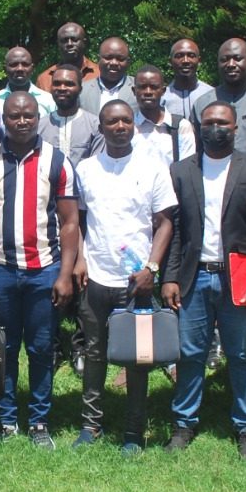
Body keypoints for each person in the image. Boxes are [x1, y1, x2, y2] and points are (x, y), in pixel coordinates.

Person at [160, 102, 246, 458]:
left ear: (236, 127)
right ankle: (184, 423)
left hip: (238, 280)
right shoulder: (181, 171)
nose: (216, 128)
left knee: (242, 355)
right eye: (208, 123)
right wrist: (170, 277)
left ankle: (245, 428)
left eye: (222, 123)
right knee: (190, 353)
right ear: (199, 127)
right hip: (194, 278)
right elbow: (175, 230)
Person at [0, 93, 80, 446]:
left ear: (37, 118)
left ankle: (40, 422)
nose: (21, 121)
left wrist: (65, 273)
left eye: (28, 115)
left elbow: (70, 222)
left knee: (42, 348)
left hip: (44, 270)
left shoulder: (58, 163)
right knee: (4, 348)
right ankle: (7, 420)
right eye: (14, 116)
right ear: (4, 119)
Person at [72, 100, 176, 453]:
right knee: (94, 351)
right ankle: (91, 424)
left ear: (134, 125)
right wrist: (80, 259)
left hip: (137, 280)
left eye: (126, 121)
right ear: (100, 128)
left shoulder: (153, 167)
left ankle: (133, 431)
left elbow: (165, 223)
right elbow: (78, 222)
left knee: (137, 357)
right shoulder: (86, 169)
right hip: (96, 275)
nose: (119, 126)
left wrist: (152, 268)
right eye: (112, 121)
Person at [132, 65, 197, 167]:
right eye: (142, 87)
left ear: (163, 91)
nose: (148, 92)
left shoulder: (181, 127)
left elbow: (186, 169)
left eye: (154, 87)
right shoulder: (128, 127)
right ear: (134, 91)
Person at [0, 46, 55, 125]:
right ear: (5, 69)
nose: (20, 69)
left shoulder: (48, 101)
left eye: (25, 64)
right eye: (14, 64)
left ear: (32, 68)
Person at [46, 64, 101, 163]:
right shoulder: (40, 126)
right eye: (57, 83)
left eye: (69, 84)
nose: (62, 88)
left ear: (80, 89)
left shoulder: (95, 126)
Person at [35, 21, 98, 91]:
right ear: (58, 44)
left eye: (74, 40)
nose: (69, 44)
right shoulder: (45, 79)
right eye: (64, 41)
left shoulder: (99, 74)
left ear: (84, 42)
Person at [79, 37, 136, 115]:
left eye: (120, 58)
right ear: (98, 59)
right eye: (108, 58)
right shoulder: (81, 90)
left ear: (128, 62)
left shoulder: (139, 89)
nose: (114, 63)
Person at [162, 39, 214, 123]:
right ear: (170, 61)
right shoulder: (162, 98)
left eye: (191, 56)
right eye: (179, 56)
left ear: (199, 61)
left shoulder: (212, 95)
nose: (185, 60)